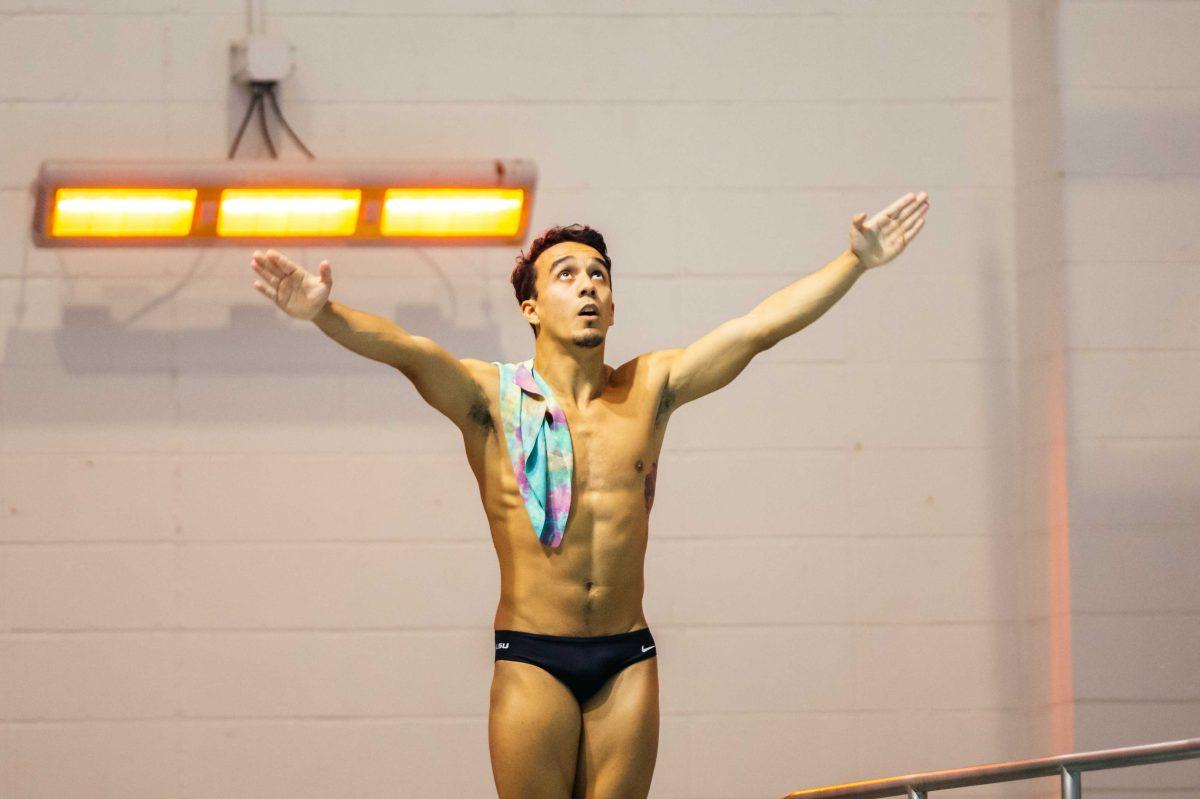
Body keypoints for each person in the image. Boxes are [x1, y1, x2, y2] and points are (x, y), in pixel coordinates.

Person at [249, 191, 929, 799]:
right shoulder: (492, 396)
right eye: (566, 275)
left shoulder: (648, 387)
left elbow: (757, 330)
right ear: (531, 307)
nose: (587, 287)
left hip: (626, 658)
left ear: (614, 302)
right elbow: (410, 351)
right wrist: (324, 313)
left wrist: (854, 262)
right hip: (533, 654)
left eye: (599, 276)